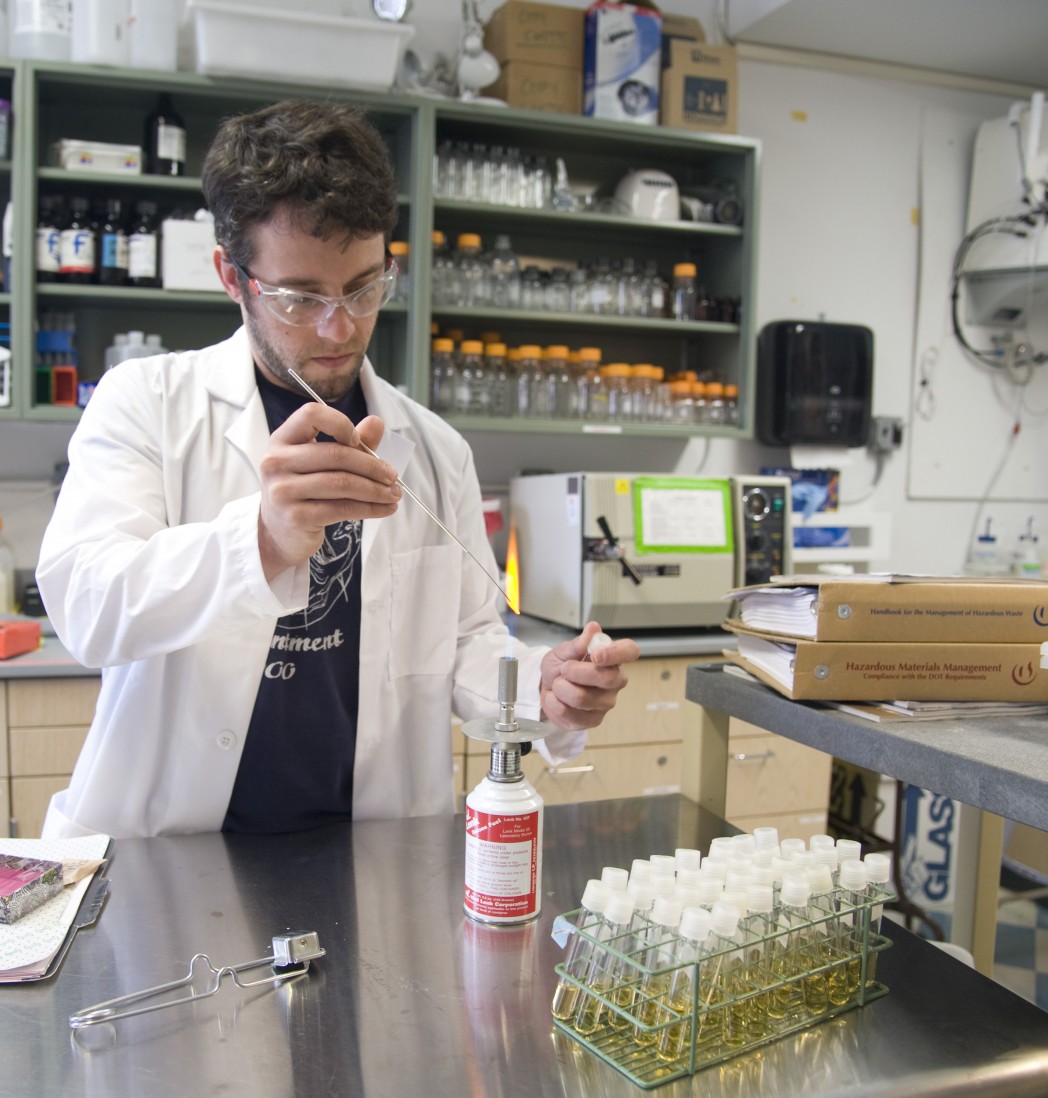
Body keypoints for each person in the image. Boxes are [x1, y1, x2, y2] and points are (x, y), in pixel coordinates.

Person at [37, 99, 640, 839]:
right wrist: (261, 538)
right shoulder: (148, 403)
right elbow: (86, 610)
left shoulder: (434, 447)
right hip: (173, 848)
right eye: (300, 297)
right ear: (233, 276)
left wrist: (541, 692)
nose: (340, 326)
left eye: (362, 286)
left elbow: (466, 645)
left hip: (372, 850)